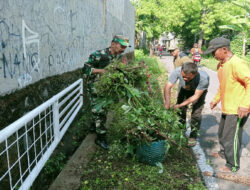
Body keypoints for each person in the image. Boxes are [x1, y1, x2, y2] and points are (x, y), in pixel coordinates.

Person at [205, 37, 250, 172]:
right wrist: (216, 100)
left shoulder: (238, 64)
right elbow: (222, 86)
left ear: (224, 49)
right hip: (227, 107)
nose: (213, 55)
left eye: (214, 51)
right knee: (222, 134)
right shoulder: (220, 66)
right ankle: (223, 153)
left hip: (238, 109)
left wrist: (245, 105)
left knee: (231, 137)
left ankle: (233, 164)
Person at [82, 35, 130, 149]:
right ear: (113, 44)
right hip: (95, 86)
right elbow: (85, 69)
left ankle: (94, 126)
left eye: (125, 47)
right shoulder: (99, 55)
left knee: (101, 108)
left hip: (105, 87)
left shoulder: (117, 57)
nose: (123, 49)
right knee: (100, 111)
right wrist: (102, 71)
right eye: (121, 46)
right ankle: (100, 138)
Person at [164, 62, 210, 147]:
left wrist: (179, 105)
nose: (184, 79)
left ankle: (193, 136)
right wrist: (167, 102)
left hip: (198, 91)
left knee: (196, 114)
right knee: (180, 111)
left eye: (187, 77)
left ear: (195, 74)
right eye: (183, 76)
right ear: (181, 70)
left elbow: (195, 96)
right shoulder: (177, 71)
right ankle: (181, 130)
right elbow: (168, 86)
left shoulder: (203, 79)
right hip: (184, 89)